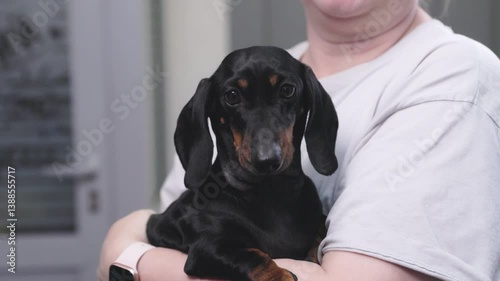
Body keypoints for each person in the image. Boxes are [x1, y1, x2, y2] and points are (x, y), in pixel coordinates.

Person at [98, 0, 500, 280]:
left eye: (285, 95)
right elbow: (188, 230)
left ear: (306, 104)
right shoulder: (270, 67)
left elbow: (131, 249)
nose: (265, 146)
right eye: (237, 100)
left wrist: (127, 254)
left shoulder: (451, 78)